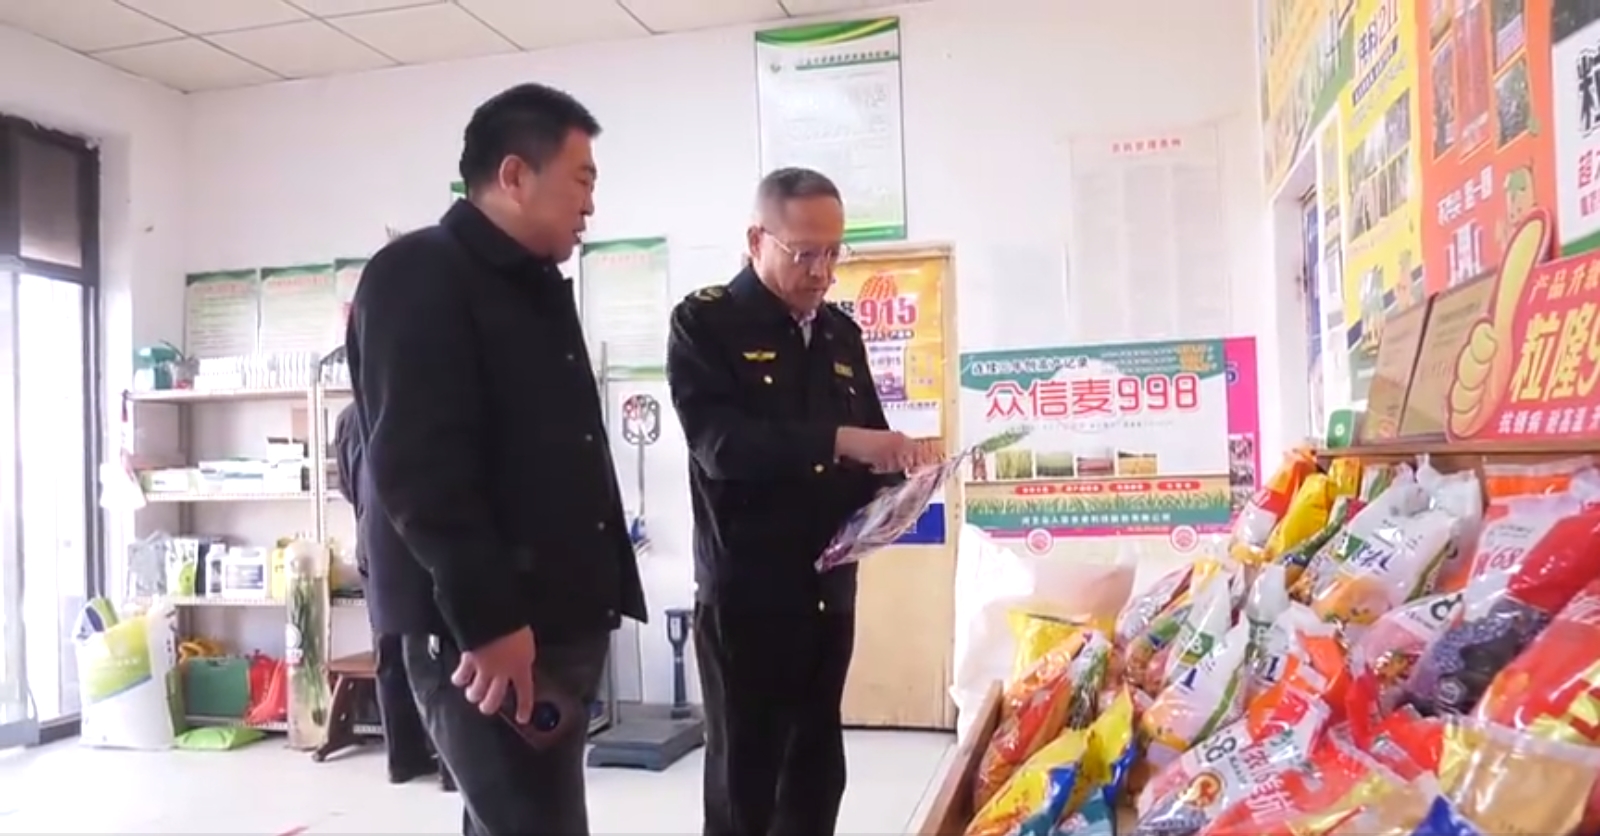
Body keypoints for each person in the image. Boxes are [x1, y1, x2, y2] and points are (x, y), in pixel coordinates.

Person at [345, 82, 646, 835]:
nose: (591, 205)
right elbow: (419, 470)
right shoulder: (419, 274)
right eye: (581, 180)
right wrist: (489, 621)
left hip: (552, 620)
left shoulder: (529, 284)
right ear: (514, 175)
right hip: (482, 632)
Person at [665, 167, 936, 836]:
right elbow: (722, 447)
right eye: (805, 253)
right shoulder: (707, 323)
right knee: (747, 779)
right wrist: (841, 440)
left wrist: (903, 477)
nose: (823, 272)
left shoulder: (840, 333)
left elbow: (866, 449)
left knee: (817, 771)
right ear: (757, 239)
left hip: (829, 589)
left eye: (835, 253)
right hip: (748, 596)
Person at [332, 401, 454, 791]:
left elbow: (347, 485)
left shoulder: (349, 417)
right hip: (422, 543)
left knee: (388, 649)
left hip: (374, 543)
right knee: (441, 651)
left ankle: (403, 759)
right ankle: (452, 766)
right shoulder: (423, 404)